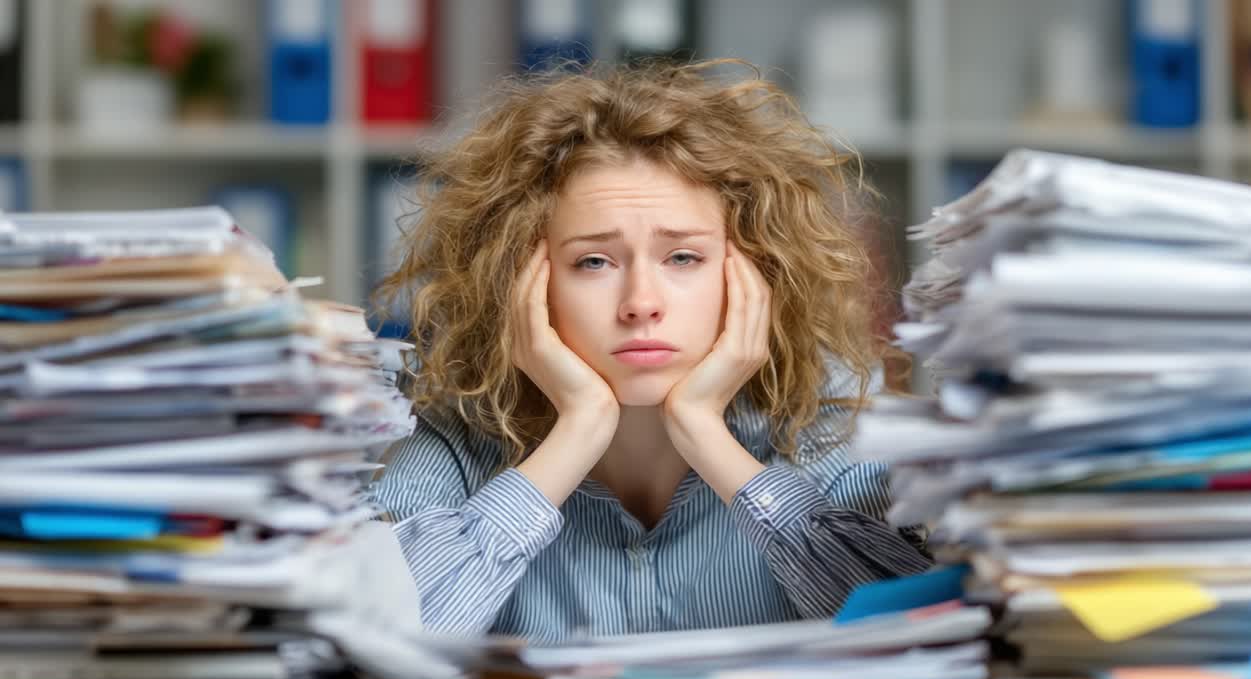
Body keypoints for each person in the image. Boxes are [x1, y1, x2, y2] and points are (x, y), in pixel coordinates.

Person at [367, 59, 931, 643]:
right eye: (593, 262)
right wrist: (578, 431)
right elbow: (375, 635)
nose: (640, 303)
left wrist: (707, 435)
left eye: (682, 258)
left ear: (753, 274)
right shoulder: (454, 426)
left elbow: (916, 624)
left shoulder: (824, 408)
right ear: (521, 284)